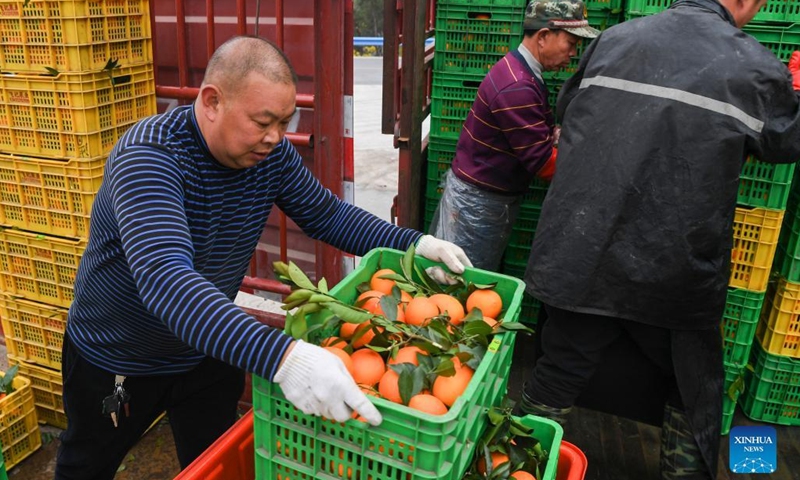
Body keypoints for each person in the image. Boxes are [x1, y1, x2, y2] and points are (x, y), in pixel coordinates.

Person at [55, 36, 471, 479]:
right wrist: (282, 357)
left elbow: (326, 214)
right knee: (88, 465)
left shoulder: (269, 156)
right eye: (263, 121)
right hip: (121, 359)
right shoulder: (151, 158)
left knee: (215, 461)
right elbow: (167, 280)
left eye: (285, 122)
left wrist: (412, 245)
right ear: (212, 101)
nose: (275, 137)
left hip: (205, 344)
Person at [520, 0, 800, 477]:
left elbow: (569, 109)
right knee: (692, 390)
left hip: (582, 249)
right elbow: (786, 143)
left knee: (559, 368)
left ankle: (517, 462)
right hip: (674, 263)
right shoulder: (753, 66)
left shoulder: (617, 38)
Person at [429, 0, 598, 271]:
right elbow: (542, 163)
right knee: (460, 281)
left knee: (463, 276)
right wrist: (591, 168)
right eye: (571, 43)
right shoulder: (518, 86)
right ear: (543, 37)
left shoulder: (521, 71)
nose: (573, 54)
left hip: (483, 197)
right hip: (478, 205)